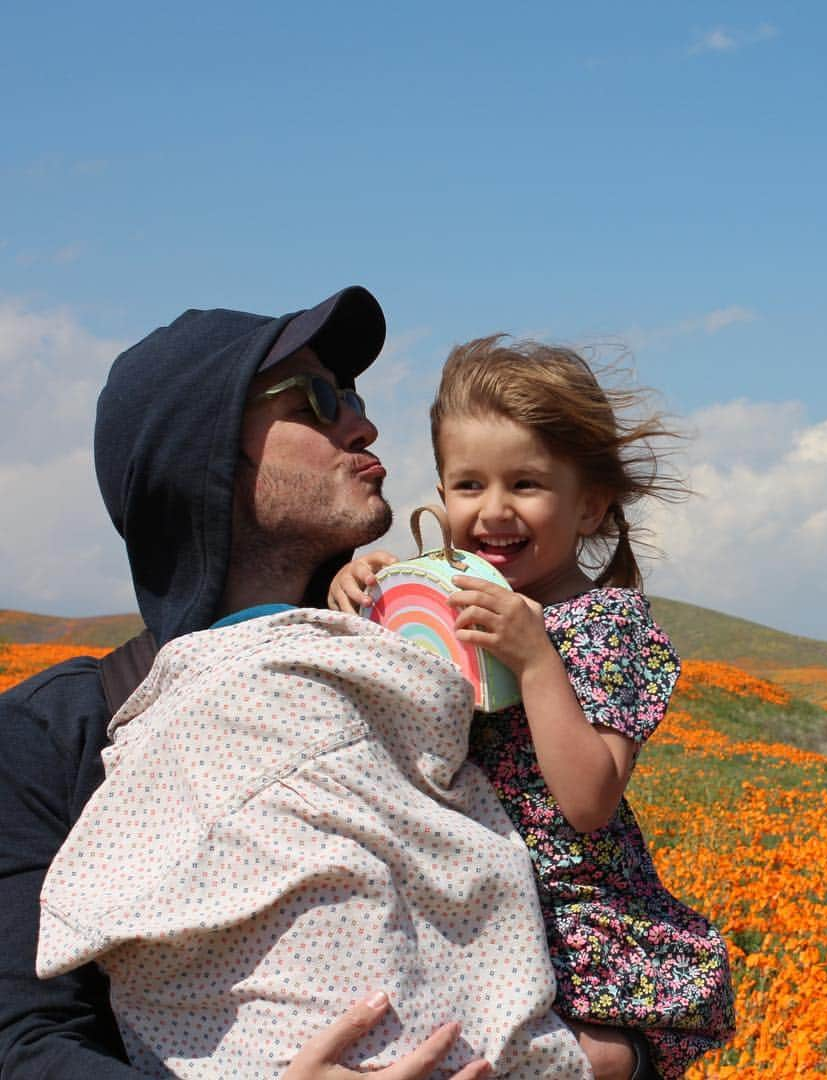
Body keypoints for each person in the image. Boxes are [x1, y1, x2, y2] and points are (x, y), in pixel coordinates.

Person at [0, 287, 501, 1080]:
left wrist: (619, 1059)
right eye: (316, 399)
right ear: (201, 456)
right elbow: (24, 1046)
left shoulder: (431, 666)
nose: (364, 424)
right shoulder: (51, 736)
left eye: (355, 397)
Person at [330, 337, 737, 1078]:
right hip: (458, 894)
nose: (493, 511)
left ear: (590, 506)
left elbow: (589, 798)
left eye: (525, 484)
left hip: (569, 918)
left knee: (593, 1059)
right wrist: (360, 595)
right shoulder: (439, 601)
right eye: (468, 485)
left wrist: (537, 659)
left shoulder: (610, 625)